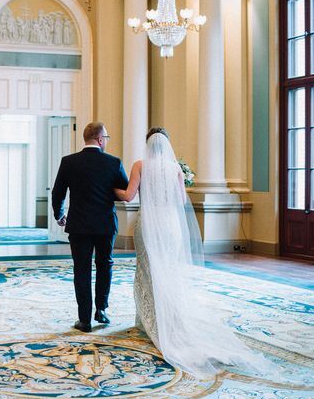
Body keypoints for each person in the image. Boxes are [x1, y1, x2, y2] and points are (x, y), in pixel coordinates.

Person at [114, 127, 273, 377]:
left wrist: (109, 189)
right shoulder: (175, 168)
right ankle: (170, 318)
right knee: (169, 270)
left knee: (148, 270)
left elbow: (128, 196)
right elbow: (179, 202)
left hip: (148, 225)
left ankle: (149, 320)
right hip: (171, 226)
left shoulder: (140, 165)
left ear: (147, 145)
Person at [51, 122, 128, 333]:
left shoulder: (68, 162)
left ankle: (84, 319)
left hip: (79, 224)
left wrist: (59, 215)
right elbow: (124, 189)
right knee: (105, 265)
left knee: (81, 270)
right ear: (101, 139)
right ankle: (101, 310)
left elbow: (57, 193)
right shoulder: (113, 162)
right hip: (105, 224)